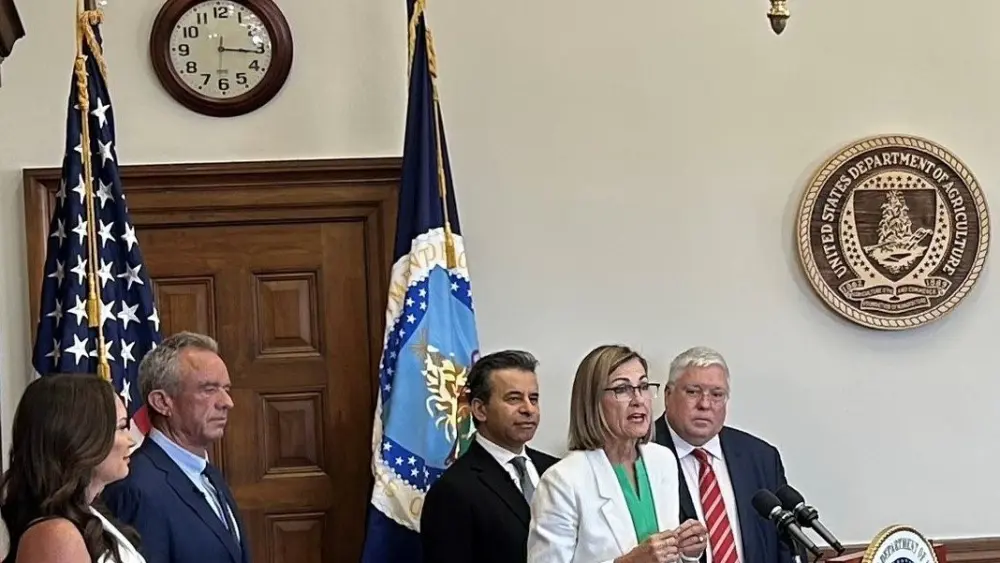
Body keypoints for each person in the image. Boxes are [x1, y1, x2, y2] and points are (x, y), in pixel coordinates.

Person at [528, 344, 709, 563]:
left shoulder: (662, 460)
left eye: (643, 387)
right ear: (592, 401)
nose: (638, 400)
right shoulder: (562, 481)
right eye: (622, 389)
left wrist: (687, 552)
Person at [102, 332, 249, 563]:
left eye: (226, 389)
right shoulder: (136, 488)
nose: (227, 403)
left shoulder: (208, 474)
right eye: (209, 389)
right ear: (162, 402)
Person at [653, 346, 793, 563]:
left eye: (716, 394)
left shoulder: (760, 457)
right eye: (693, 392)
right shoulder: (640, 454)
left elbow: (785, 545)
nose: (705, 404)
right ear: (668, 395)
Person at [420, 350, 559, 563]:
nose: (529, 409)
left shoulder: (557, 470)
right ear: (479, 409)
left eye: (534, 398)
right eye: (514, 399)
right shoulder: (453, 491)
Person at [1, 374, 144, 563]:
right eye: (121, 427)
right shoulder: (55, 536)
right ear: (80, 439)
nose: (131, 441)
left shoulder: (90, 514)